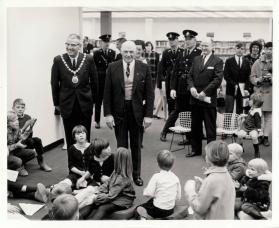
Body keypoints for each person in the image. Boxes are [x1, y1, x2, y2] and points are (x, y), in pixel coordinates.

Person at [103, 40, 154, 186]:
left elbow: (149, 94)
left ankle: (136, 174)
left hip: (137, 112)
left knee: (136, 146)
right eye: (125, 51)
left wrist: (148, 115)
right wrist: (108, 114)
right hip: (119, 112)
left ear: (136, 52)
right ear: (121, 52)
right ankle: (122, 175)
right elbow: (107, 93)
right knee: (121, 146)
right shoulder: (112, 67)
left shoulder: (144, 67)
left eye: (131, 52)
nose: (128, 54)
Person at [51, 33, 98, 148]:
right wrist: (56, 103)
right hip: (67, 104)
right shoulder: (58, 60)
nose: (69, 47)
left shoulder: (88, 59)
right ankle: (72, 165)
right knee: (70, 137)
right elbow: (54, 83)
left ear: (80, 46)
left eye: (73, 45)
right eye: (67, 44)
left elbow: (95, 81)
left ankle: (86, 164)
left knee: (85, 137)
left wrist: (94, 101)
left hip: (85, 103)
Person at [160, 30, 202, 145]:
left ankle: (189, 137)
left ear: (195, 40)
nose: (187, 41)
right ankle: (164, 131)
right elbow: (175, 72)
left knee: (191, 112)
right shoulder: (182, 53)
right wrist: (173, 88)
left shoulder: (199, 53)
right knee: (177, 110)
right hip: (181, 87)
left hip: (193, 87)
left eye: (190, 39)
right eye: (186, 39)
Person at [187, 38, 223, 157]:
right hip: (195, 99)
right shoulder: (196, 59)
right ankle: (195, 150)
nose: (204, 48)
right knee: (195, 126)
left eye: (206, 45)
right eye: (202, 45)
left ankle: (211, 153)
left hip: (208, 100)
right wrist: (191, 87)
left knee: (210, 128)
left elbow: (217, 80)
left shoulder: (217, 61)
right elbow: (190, 76)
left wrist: (205, 92)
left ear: (212, 46)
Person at [184, 140, 235, 219]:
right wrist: (204, 184)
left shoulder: (212, 180)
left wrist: (190, 191)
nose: (205, 156)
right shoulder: (226, 174)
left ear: (211, 157)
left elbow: (199, 208)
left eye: (207, 154)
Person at [85, 147, 136, 220]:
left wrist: (99, 196)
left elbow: (111, 195)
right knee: (93, 202)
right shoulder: (116, 170)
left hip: (123, 200)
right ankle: (78, 217)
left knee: (102, 207)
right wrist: (99, 190)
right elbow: (108, 182)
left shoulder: (123, 178)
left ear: (118, 160)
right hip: (115, 194)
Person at [136, 150, 181, 219]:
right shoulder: (176, 178)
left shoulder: (156, 177)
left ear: (158, 164)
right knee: (151, 201)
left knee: (138, 208)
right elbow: (178, 197)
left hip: (158, 210)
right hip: (170, 210)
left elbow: (148, 194)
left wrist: (144, 191)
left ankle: (146, 219)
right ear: (172, 165)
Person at [12, 98, 51, 171]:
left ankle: (42, 162)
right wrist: (24, 128)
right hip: (16, 143)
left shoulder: (27, 117)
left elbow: (30, 135)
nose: (20, 109)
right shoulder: (12, 118)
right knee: (21, 144)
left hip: (25, 139)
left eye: (22, 107)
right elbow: (12, 136)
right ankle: (20, 166)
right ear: (13, 108)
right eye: (18, 107)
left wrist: (30, 128)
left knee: (37, 140)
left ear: (25, 108)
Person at [250, 41, 272, 147]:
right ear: (264, 50)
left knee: (268, 116)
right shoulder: (257, 62)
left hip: (270, 92)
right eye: (267, 49)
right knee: (258, 115)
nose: (269, 51)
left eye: (271, 49)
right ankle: (260, 134)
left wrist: (272, 79)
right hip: (259, 93)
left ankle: (266, 137)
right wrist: (258, 80)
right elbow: (252, 77)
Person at [157, 32, 183, 118]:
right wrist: (163, 80)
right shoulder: (166, 52)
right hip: (169, 81)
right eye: (169, 40)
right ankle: (170, 125)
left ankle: (183, 126)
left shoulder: (183, 52)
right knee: (170, 103)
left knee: (181, 104)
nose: (171, 42)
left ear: (177, 40)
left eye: (173, 39)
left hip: (180, 81)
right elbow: (162, 68)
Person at [93, 34, 117, 129]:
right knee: (98, 102)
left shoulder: (113, 53)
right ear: (101, 43)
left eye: (108, 42)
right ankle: (97, 121)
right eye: (105, 42)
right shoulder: (97, 53)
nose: (107, 44)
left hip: (110, 81)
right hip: (100, 81)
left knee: (111, 101)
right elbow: (94, 68)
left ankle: (112, 120)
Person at [60, 125, 93, 189]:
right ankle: (49, 189)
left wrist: (88, 174)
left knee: (89, 189)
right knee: (64, 185)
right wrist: (80, 172)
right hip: (75, 174)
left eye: (83, 133)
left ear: (86, 135)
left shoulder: (92, 147)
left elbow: (95, 164)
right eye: (78, 134)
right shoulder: (71, 148)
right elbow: (71, 166)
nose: (81, 135)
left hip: (90, 174)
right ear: (74, 137)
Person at [224, 43, 251, 114]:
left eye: (242, 49)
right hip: (230, 89)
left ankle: (238, 125)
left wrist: (246, 89)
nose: (240, 50)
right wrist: (234, 84)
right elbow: (226, 75)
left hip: (242, 90)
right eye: (238, 48)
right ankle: (227, 125)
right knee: (228, 111)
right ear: (235, 49)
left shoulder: (247, 61)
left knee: (240, 111)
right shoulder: (229, 61)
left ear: (244, 50)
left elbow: (248, 76)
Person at [7, 110, 36, 176]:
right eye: (14, 121)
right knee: (18, 161)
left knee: (32, 153)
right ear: (7, 123)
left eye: (17, 120)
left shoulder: (16, 129)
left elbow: (23, 137)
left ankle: (18, 166)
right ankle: (9, 169)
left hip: (14, 151)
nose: (17, 122)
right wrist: (16, 145)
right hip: (6, 154)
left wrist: (31, 127)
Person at [237, 93, 264, 158]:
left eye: (250, 100)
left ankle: (256, 151)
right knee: (240, 134)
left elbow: (258, 122)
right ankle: (241, 147)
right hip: (246, 126)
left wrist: (259, 130)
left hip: (253, 128)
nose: (249, 101)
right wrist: (245, 115)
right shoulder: (252, 108)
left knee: (254, 136)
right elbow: (250, 117)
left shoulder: (257, 112)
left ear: (255, 102)